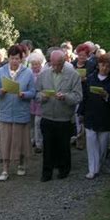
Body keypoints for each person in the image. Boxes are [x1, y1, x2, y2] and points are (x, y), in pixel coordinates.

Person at [36, 50, 82, 181]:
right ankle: (47, 172)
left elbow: (78, 96)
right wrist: (42, 97)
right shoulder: (43, 74)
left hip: (64, 118)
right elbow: (36, 93)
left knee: (63, 146)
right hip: (47, 116)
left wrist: (66, 97)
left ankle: (64, 169)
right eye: (53, 64)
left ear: (64, 62)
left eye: (59, 64)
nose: (55, 67)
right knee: (48, 146)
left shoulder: (73, 75)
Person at [0, 44, 36, 181]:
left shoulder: (28, 72)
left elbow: (33, 92)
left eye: (17, 58)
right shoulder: (1, 71)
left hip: (21, 112)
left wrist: (24, 94)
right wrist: (0, 92)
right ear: (8, 58)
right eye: (12, 58)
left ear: (22, 59)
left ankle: (21, 164)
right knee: (5, 141)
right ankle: (5, 169)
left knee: (21, 141)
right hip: (5, 112)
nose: (14, 61)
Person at [78, 54, 110, 179]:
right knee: (91, 143)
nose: (104, 68)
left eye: (107, 66)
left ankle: (98, 165)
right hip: (91, 115)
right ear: (98, 65)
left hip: (105, 117)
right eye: (102, 65)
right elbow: (84, 97)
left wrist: (107, 96)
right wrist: (81, 113)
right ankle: (92, 169)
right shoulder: (90, 79)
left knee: (102, 145)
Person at [29, 52, 45, 153]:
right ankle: (31, 140)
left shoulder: (43, 74)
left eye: (37, 64)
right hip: (30, 101)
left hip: (39, 102)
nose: (35, 66)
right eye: (33, 64)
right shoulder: (29, 73)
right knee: (30, 123)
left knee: (38, 123)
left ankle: (39, 144)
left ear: (40, 63)